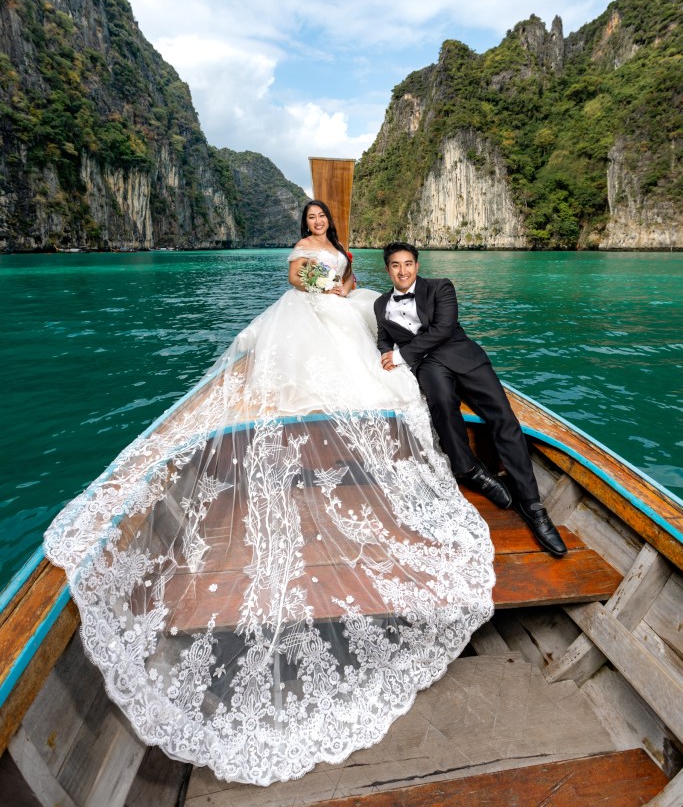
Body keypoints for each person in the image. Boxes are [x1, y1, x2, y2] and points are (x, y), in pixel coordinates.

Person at [44, 202, 495, 787]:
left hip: (333, 302)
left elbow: (349, 281)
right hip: (303, 311)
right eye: (308, 220)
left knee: (360, 316)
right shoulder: (301, 255)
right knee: (323, 349)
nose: (313, 225)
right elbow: (297, 280)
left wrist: (343, 285)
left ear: (326, 221)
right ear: (303, 227)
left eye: (318, 219)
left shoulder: (341, 250)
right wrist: (320, 286)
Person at [375, 241, 567, 557]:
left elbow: (444, 328)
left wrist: (401, 355)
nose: (403, 270)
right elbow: (384, 337)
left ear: (417, 266)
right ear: (388, 270)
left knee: (504, 420)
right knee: (441, 406)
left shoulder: (440, 287)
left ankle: (533, 506)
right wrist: (386, 353)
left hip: (463, 356)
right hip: (429, 366)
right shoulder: (381, 304)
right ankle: (470, 471)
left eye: (408, 263)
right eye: (396, 265)